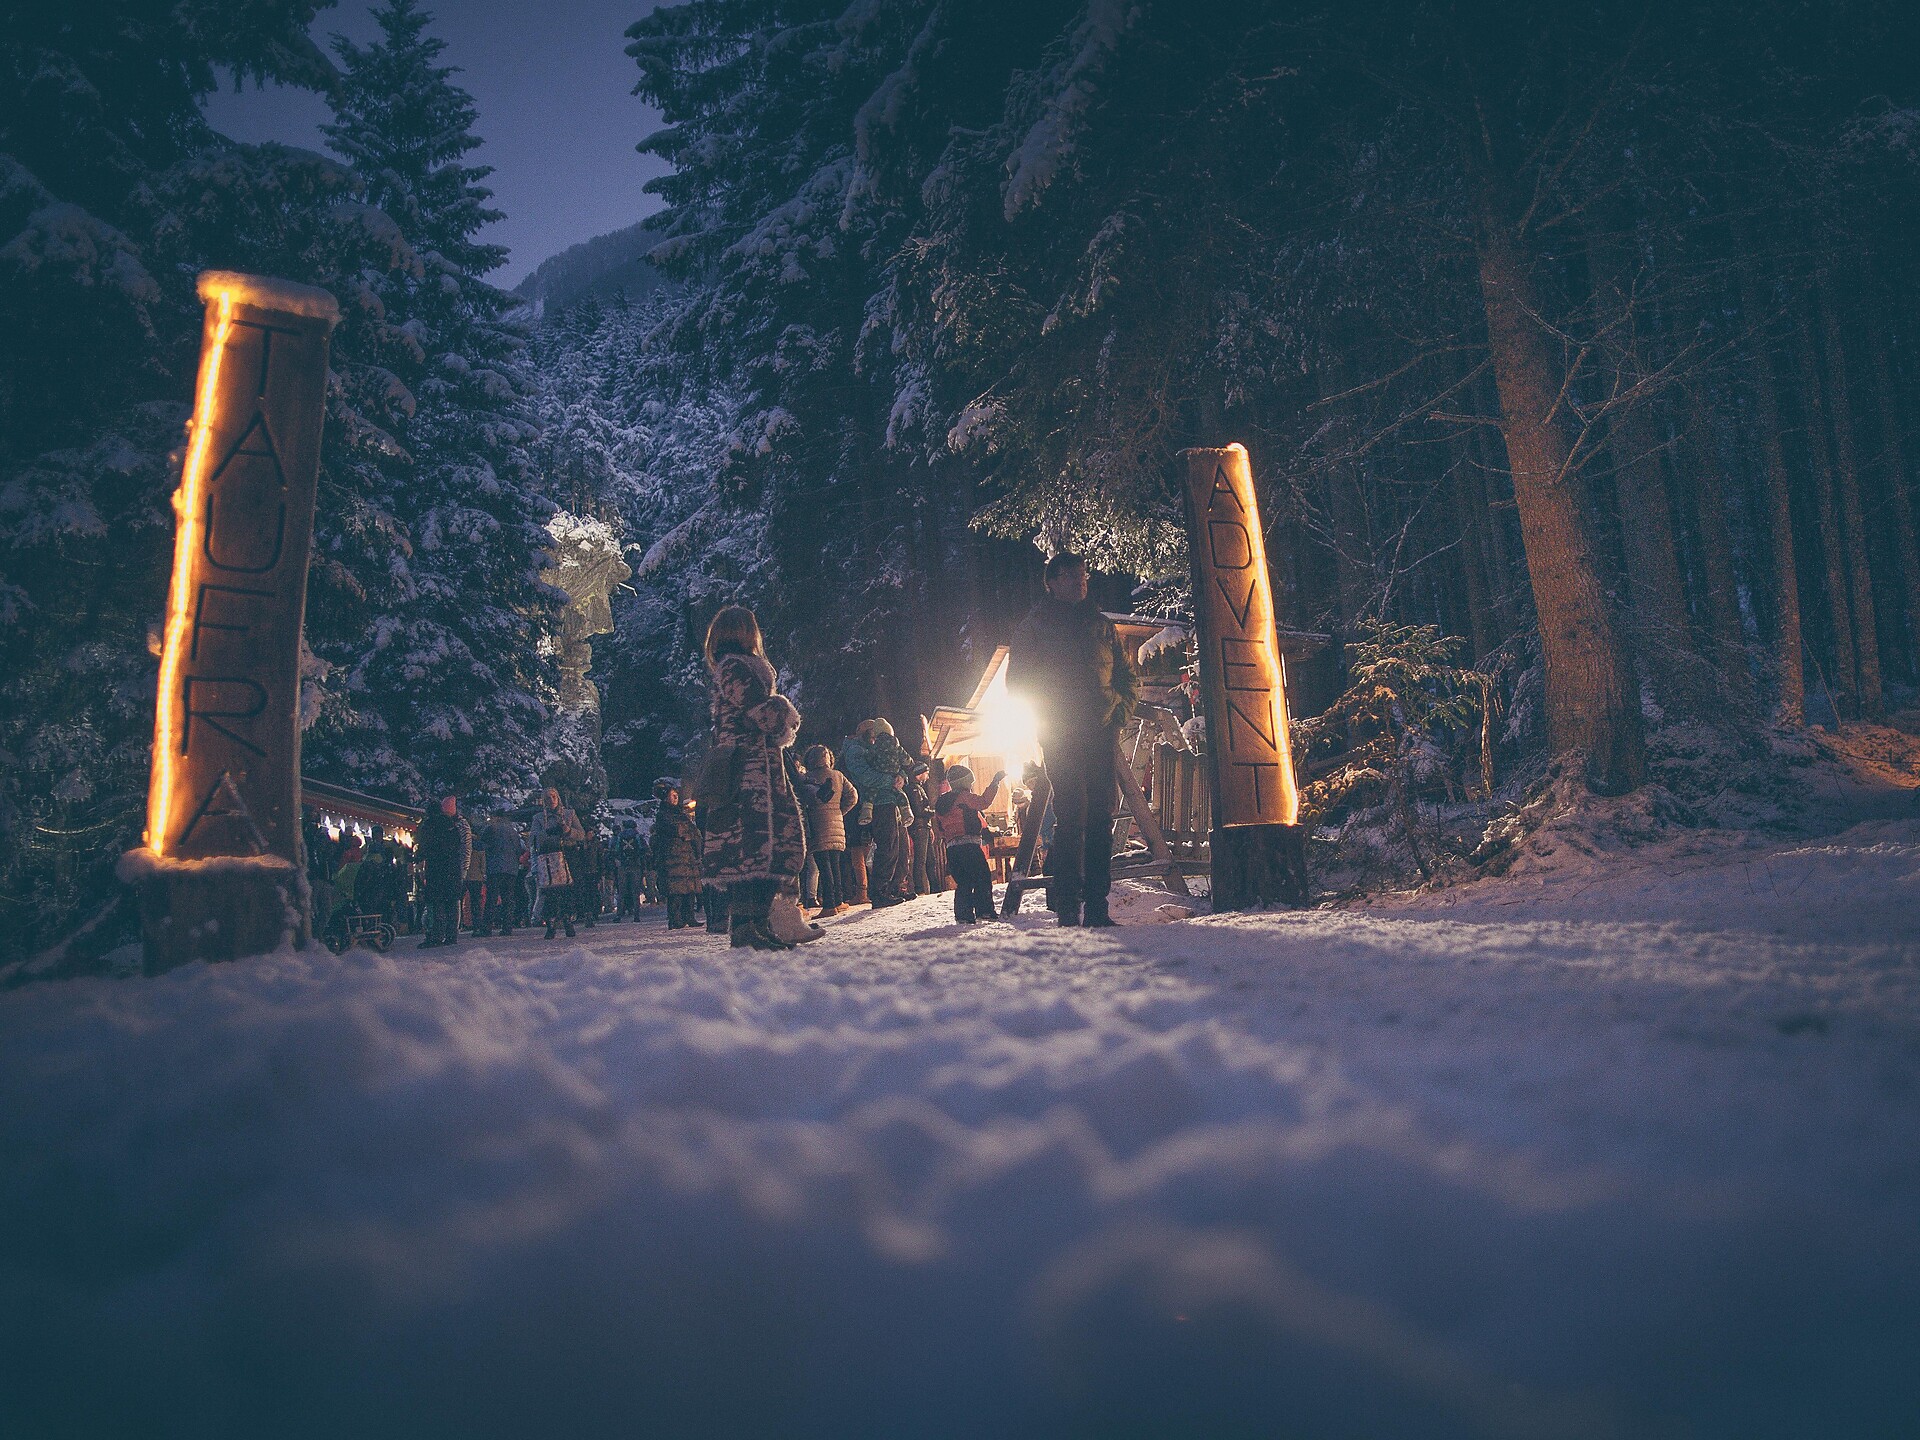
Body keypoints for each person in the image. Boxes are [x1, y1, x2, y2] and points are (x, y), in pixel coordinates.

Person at [1009, 552, 1138, 928]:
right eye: (1070, 578)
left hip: (1101, 733)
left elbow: (1128, 678)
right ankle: (1068, 908)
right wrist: (1048, 719)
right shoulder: (1035, 627)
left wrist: (1118, 712)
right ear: (1051, 582)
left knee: (1102, 818)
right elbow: (1018, 684)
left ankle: (1097, 908)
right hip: (1061, 736)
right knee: (1070, 817)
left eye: (1083, 576)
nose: (1079, 583)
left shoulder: (1101, 626)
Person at [701, 605, 806, 951]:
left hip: (757, 767)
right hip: (744, 771)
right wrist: (782, 712)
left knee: (764, 845)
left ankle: (756, 922)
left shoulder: (734, 667)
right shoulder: (735, 667)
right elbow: (761, 712)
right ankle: (745, 925)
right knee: (750, 845)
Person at [842, 717, 913, 907]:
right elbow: (865, 776)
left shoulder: (874, 748)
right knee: (887, 845)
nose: (877, 740)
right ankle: (879, 891)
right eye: (873, 736)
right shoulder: (856, 750)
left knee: (899, 846)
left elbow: (895, 763)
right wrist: (891, 780)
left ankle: (894, 887)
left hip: (891, 800)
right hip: (877, 802)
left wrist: (901, 777)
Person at [935, 765, 1005, 924]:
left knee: (964, 881)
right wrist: (995, 783)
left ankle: (963, 915)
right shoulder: (964, 797)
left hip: (952, 848)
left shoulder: (941, 802)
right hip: (969, 845)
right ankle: (985, 911)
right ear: (965, 782)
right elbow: (984, 802)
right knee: (982, 877)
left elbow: (939, 827)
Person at [800, 744, 859, 915]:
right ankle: (838, 900)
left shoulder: (807, 778)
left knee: (823, 865)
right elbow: (853, 796)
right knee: (835, 864)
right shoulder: (838, 776)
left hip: (817, 825)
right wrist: (840, 811)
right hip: (837, 824)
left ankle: (829, 905)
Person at [417, 794, 471, 949]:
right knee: (452, 902)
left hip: (436, 869)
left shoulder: (429, 826)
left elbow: (425, 847)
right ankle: (451, 935)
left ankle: (435, 934)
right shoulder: (453, 826)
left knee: (436, 902)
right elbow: (462, 847)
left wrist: (419, 857)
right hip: (452, 868)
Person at [532, 787, 585, 939]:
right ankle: (551, 925)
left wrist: (568, 831)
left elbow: (581, 834)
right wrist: (549, 833)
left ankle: (568, 921)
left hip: (568, 856)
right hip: (549, 859)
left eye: (554, 796)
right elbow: (535, 838)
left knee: (567, 891)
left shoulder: (569, 814)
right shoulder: (539, 818)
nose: (551, 800)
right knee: (550, 893)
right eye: (548, 797)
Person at [651, 779, 704, 929]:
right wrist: (687, 832)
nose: (676, 798)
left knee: (690, 889)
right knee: (676, 892)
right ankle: (675, 919)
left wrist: (689, 834)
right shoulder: (663, 814)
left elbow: (694, 832)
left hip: (687, 857)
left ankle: (690, 916)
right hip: (672, 858)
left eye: (676, 795)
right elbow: (677, 830)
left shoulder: (681, 813)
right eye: (673, 795)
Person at [478, 813, 520, 936]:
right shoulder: (512, 831)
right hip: (511, 869)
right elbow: (518, 849)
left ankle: (487, 928)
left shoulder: (490, 829)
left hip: (495, 868)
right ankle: (507, 927)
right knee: (508, 899)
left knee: (491, 898)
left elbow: (481, 845)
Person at [906, 761, 936, 896]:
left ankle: (934, 888)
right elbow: (918, 810)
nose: (927, 776)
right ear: (919, 774)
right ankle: (920, 889)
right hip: (920, 827)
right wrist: (933, 812)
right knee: (921, 859)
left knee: (930, 859)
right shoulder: (914, 789)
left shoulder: (917, 788)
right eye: (926, 773)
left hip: (923, 826)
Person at [614, 820, 649, 920]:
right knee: (635, 891)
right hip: (635, 865)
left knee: (622, 892)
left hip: (623, 866)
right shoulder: (637, 836)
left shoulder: (620, 836)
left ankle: (619, 915)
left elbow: (616, 850)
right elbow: (644, 849)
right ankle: (636, 915)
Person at [462, 814, 488, 936]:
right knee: (476, 902)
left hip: (464, 876)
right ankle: (477, 925)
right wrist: (483, 875)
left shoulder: (462, 842)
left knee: (462, 901)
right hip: (476, 877)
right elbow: (483, 865)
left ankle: (463, 923)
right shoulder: (479, 845)